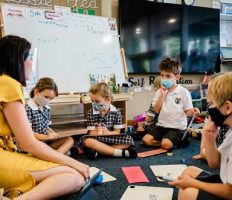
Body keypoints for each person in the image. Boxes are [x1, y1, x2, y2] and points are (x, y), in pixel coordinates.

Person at [0, 35, 89, 199]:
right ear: (17, 59)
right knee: (75, 176)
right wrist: (74, 162)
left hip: (8, 151)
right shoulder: (9, 84)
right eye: (28, 57)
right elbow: (28, 143)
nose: (31, 63)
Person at [169, 72, 232, 200]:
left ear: (228, 107)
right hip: (226, 181)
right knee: (190, 170)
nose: (209, 109)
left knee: (188, 191)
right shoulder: (229, 130)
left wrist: (194, 184)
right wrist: (209, 138)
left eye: (211, 104)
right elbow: (214, 163)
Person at [142, 57, 200, 150]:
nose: (164, 79)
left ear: (177, 77)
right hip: (161, 126)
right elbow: (156, 110)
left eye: (168, 76)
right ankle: (170, 141)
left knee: (166, 145)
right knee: (146, 140)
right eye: (162, 75)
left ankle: (175, 140)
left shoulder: (184, 92)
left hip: (177, 128)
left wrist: (193, 111)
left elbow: (188, 112)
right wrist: (162, 95)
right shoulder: (159, 92)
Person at [82, 82, 137, 160]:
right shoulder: (91, 112)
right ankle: (119, 153)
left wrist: (108, 133)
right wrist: (97, 132)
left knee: (129, 140)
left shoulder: (116, 112)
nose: (94, 104)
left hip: (111, 139)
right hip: (97, 139)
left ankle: (100, 151)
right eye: (92, 101)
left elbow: (117, 132)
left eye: (97, 101)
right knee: (88, 141)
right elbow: (91, 132)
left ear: (108, 100)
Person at [25, 77, 74, 155]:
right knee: (66, 151)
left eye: (51, 98)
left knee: (69, 139)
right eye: (46, 97)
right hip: (35, 143)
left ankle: (55, 155)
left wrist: (53, 134)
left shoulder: (46, 108)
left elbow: (46, 127)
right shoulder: (28, 109)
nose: (48, 100)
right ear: (37, 92)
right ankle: (57, 155)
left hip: (46, 142)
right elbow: (28, 133)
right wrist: (47, 137)